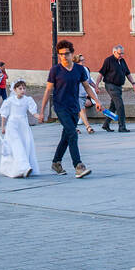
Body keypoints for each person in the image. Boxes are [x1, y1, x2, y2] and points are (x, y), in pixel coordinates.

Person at [39, 40, 92, 178]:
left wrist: (96, 101)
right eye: (61, 54)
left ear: (72, 53)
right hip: (60, 107)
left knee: (66, 136)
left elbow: (86, 87)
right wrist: (42, 111)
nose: (63, 56)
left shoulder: (79, 69)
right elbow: (48, 90)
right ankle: (78, 165)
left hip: (74, 107)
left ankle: (56, 162)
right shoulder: (55, 70)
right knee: (73, 133)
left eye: (66, 54)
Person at [0, 80, 40, 178]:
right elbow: (4, 115)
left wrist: (39, 117)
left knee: (25, 144)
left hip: (23, 126)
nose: (22, 90)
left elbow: (33, 112)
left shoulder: (28, 100)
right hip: (12, 125)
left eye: (24, 88)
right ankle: (24, 167)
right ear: (15, 89)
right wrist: (3, 126)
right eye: (20, 88)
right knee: (17, 146)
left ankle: (23, 167)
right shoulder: (10, 101)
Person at [97, 45, 135, 133]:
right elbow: (101, 73)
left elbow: (128, 73)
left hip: (118, 86)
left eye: (123, 53)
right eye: (120, 53)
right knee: (120, 105)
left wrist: (133, 83)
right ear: (114, 52)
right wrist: (96, 85)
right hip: (111, 86)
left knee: (113, 106)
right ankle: (122, 127)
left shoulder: (122, 61)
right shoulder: (108, 60)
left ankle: (106, 124)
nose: (122, 55)